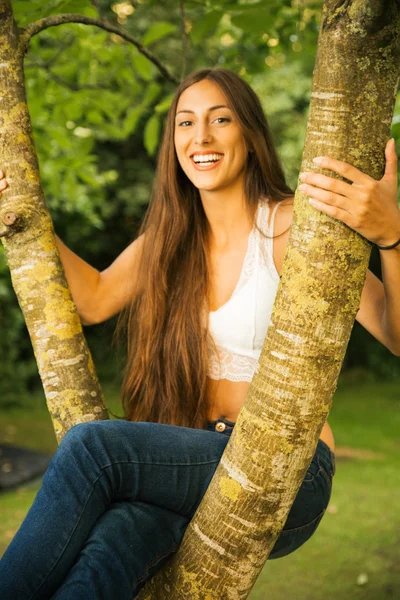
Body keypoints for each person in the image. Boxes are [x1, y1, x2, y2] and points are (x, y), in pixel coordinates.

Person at [0, 67, 399, 600]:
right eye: (185, 123)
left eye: (221, 120)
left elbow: (396, 336)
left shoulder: (293, 230)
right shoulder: (168, 242)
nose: (201, 138)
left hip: (286, 473)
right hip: (193, 467)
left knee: (94, 449)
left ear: (250, 135)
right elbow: (92, 301)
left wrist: (391, 236)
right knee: (117, 539)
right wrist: (24, 221)